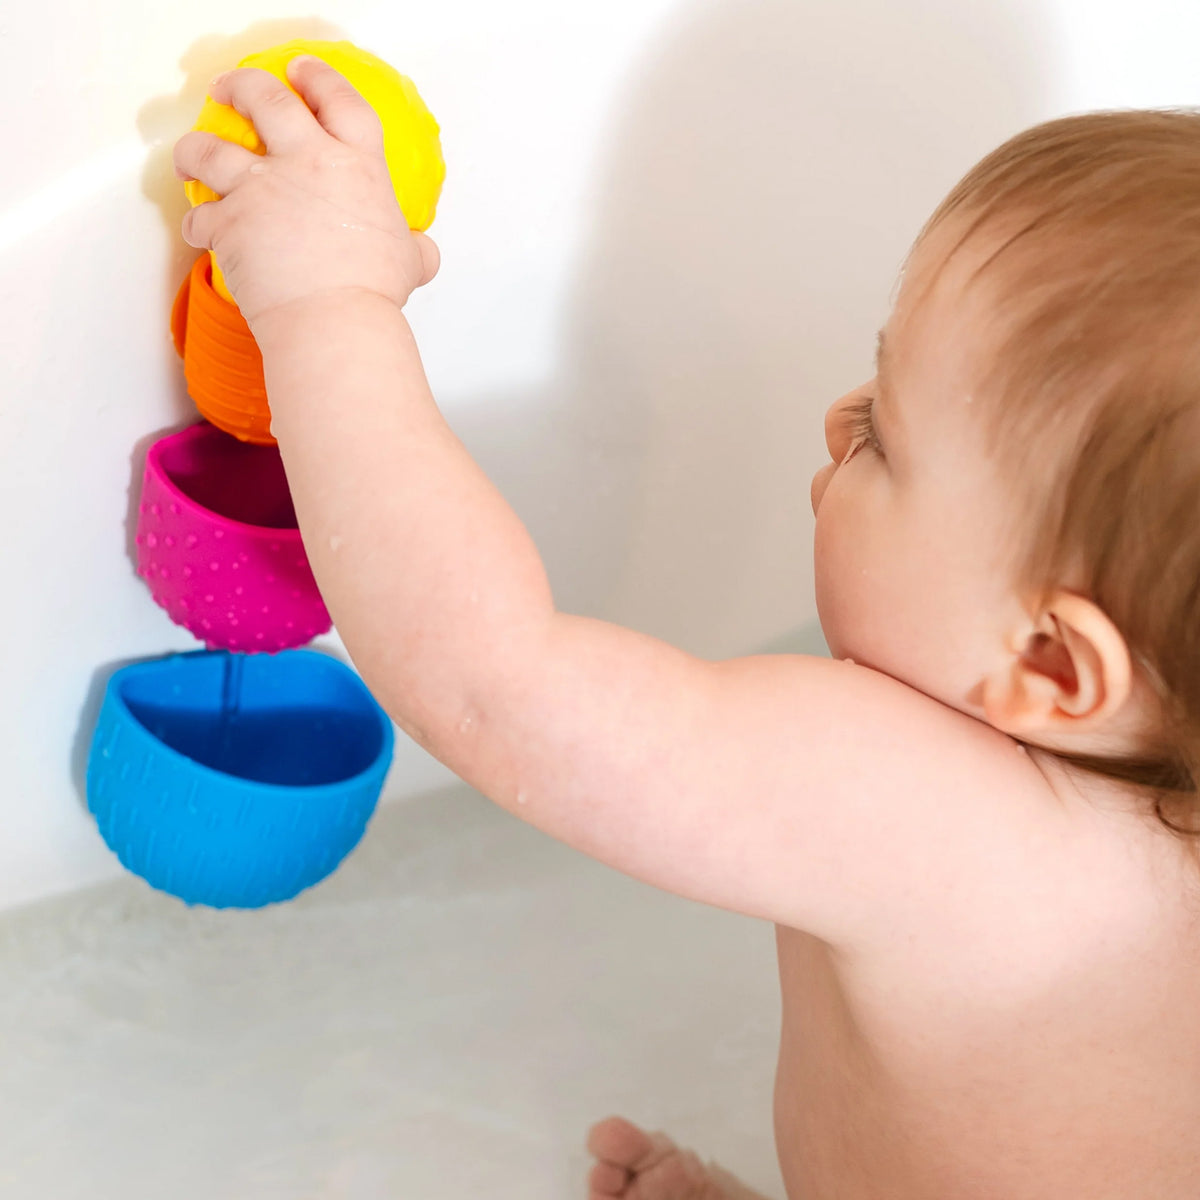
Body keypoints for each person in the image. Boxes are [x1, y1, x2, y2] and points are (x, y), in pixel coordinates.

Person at [173, 56, 1200, 1198]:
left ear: (1051, 663)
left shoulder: (934, 813)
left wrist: (326, 304)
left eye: (886, 436)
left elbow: (497, 688)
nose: (835, 416)